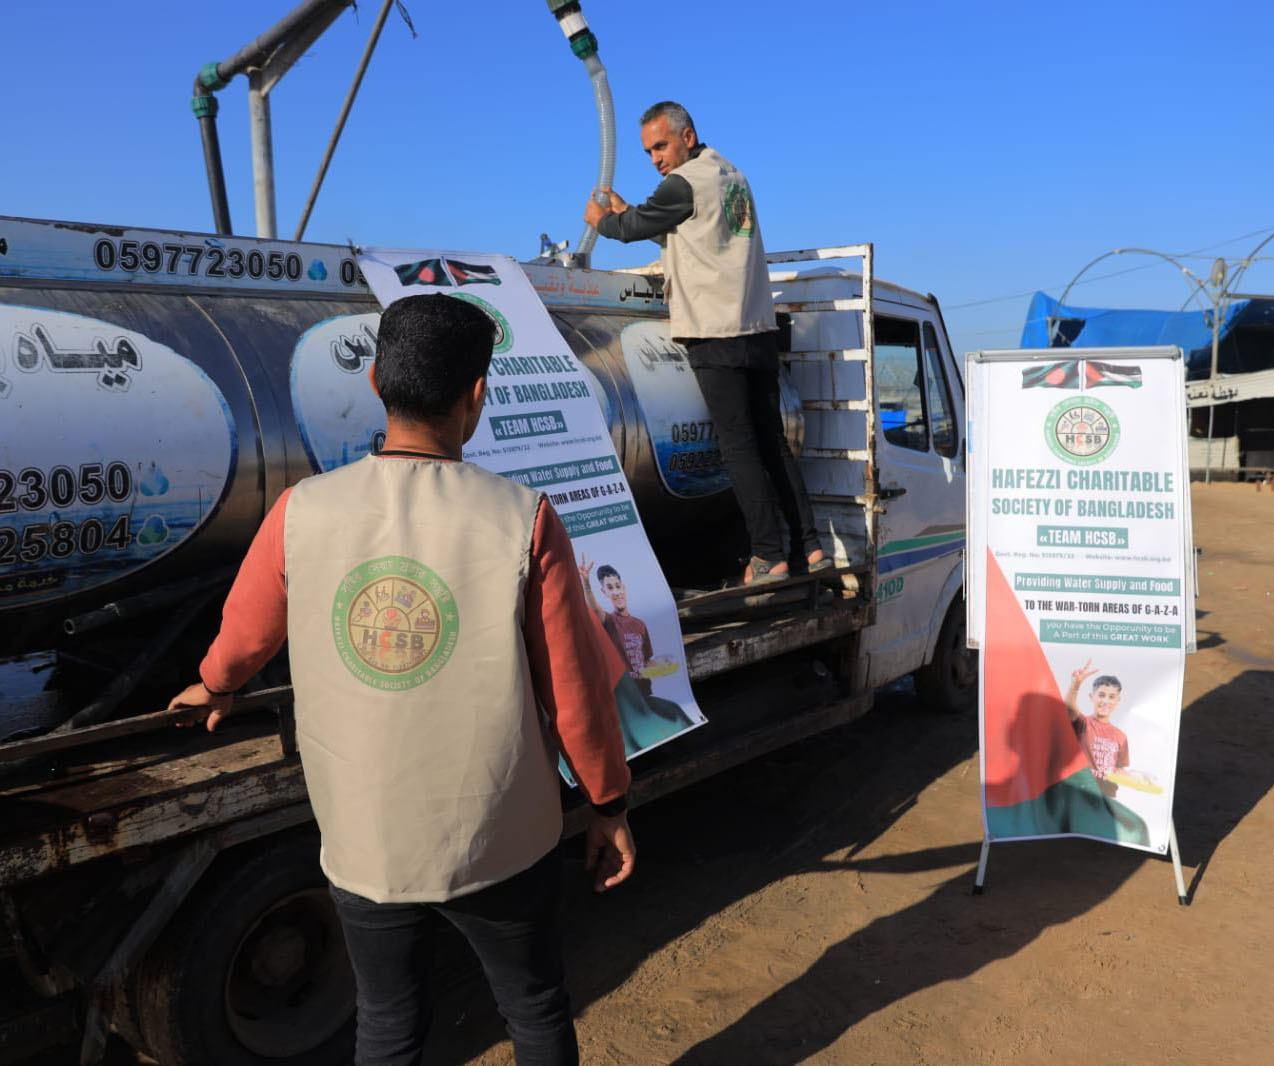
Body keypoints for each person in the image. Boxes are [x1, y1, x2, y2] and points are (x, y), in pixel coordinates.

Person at [166, 293, 635, 1066]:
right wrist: (608, 802)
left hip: (365, 839)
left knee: (387, 1024)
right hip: (500, 836)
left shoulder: (300, 510)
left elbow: (246, 635)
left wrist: (214, 686)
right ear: (477, 394)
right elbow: (575, 690)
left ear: (378, 380)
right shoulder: (523, 518)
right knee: (536, 1007)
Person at [584, 100, 828, 585]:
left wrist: (602, 219)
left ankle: (767, 556)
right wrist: (633, 212)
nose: (655, 159)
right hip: (757, 329)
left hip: (716, 335)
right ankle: (810, 546)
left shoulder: (684, 182)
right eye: (648, 151)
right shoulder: (731, 175)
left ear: (687, 137)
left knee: (738, 449)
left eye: (661, 146)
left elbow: (633, 229)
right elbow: (691, 233)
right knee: (772, 444)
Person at [577, 555, 692, 755]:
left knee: (678, 715)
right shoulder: (609, 621)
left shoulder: (640, 624)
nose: (616, 592)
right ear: (604, 592)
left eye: (617, 585)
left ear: (624, 587)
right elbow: (595, 611)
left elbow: (647, 662)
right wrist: (586, 584)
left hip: (646, 696)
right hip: (627, 703)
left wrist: (666, 666)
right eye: (610, 588)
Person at [1063, 660, 1131, 798]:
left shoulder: (1121, 736)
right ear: (1091, 697)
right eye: (1101, 695)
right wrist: (1075, 685)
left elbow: (1118, 768)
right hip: (1082, 793)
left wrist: (1136, 778)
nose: (1105, 701)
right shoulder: (1083, 723)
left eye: (1111, 697)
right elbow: (1069, 709)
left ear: (1118, 701)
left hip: (1107, 798)